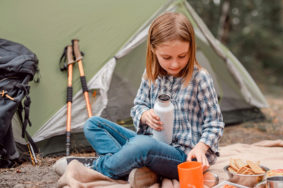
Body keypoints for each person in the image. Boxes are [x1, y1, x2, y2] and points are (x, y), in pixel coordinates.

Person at [69, 12, 224, 187]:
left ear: (191, 49)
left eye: (182, 56)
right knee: (93, 124)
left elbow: (215, 122)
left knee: (141, 145)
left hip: (185, 155)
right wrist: (143, 114)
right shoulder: (151, 75)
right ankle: (131, 165)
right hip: (151, 143)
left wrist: (201, 147)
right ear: (153, 50)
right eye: (167, 57)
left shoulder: (200, 78)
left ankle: (99, 166)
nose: (175, 64)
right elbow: (138, 106)